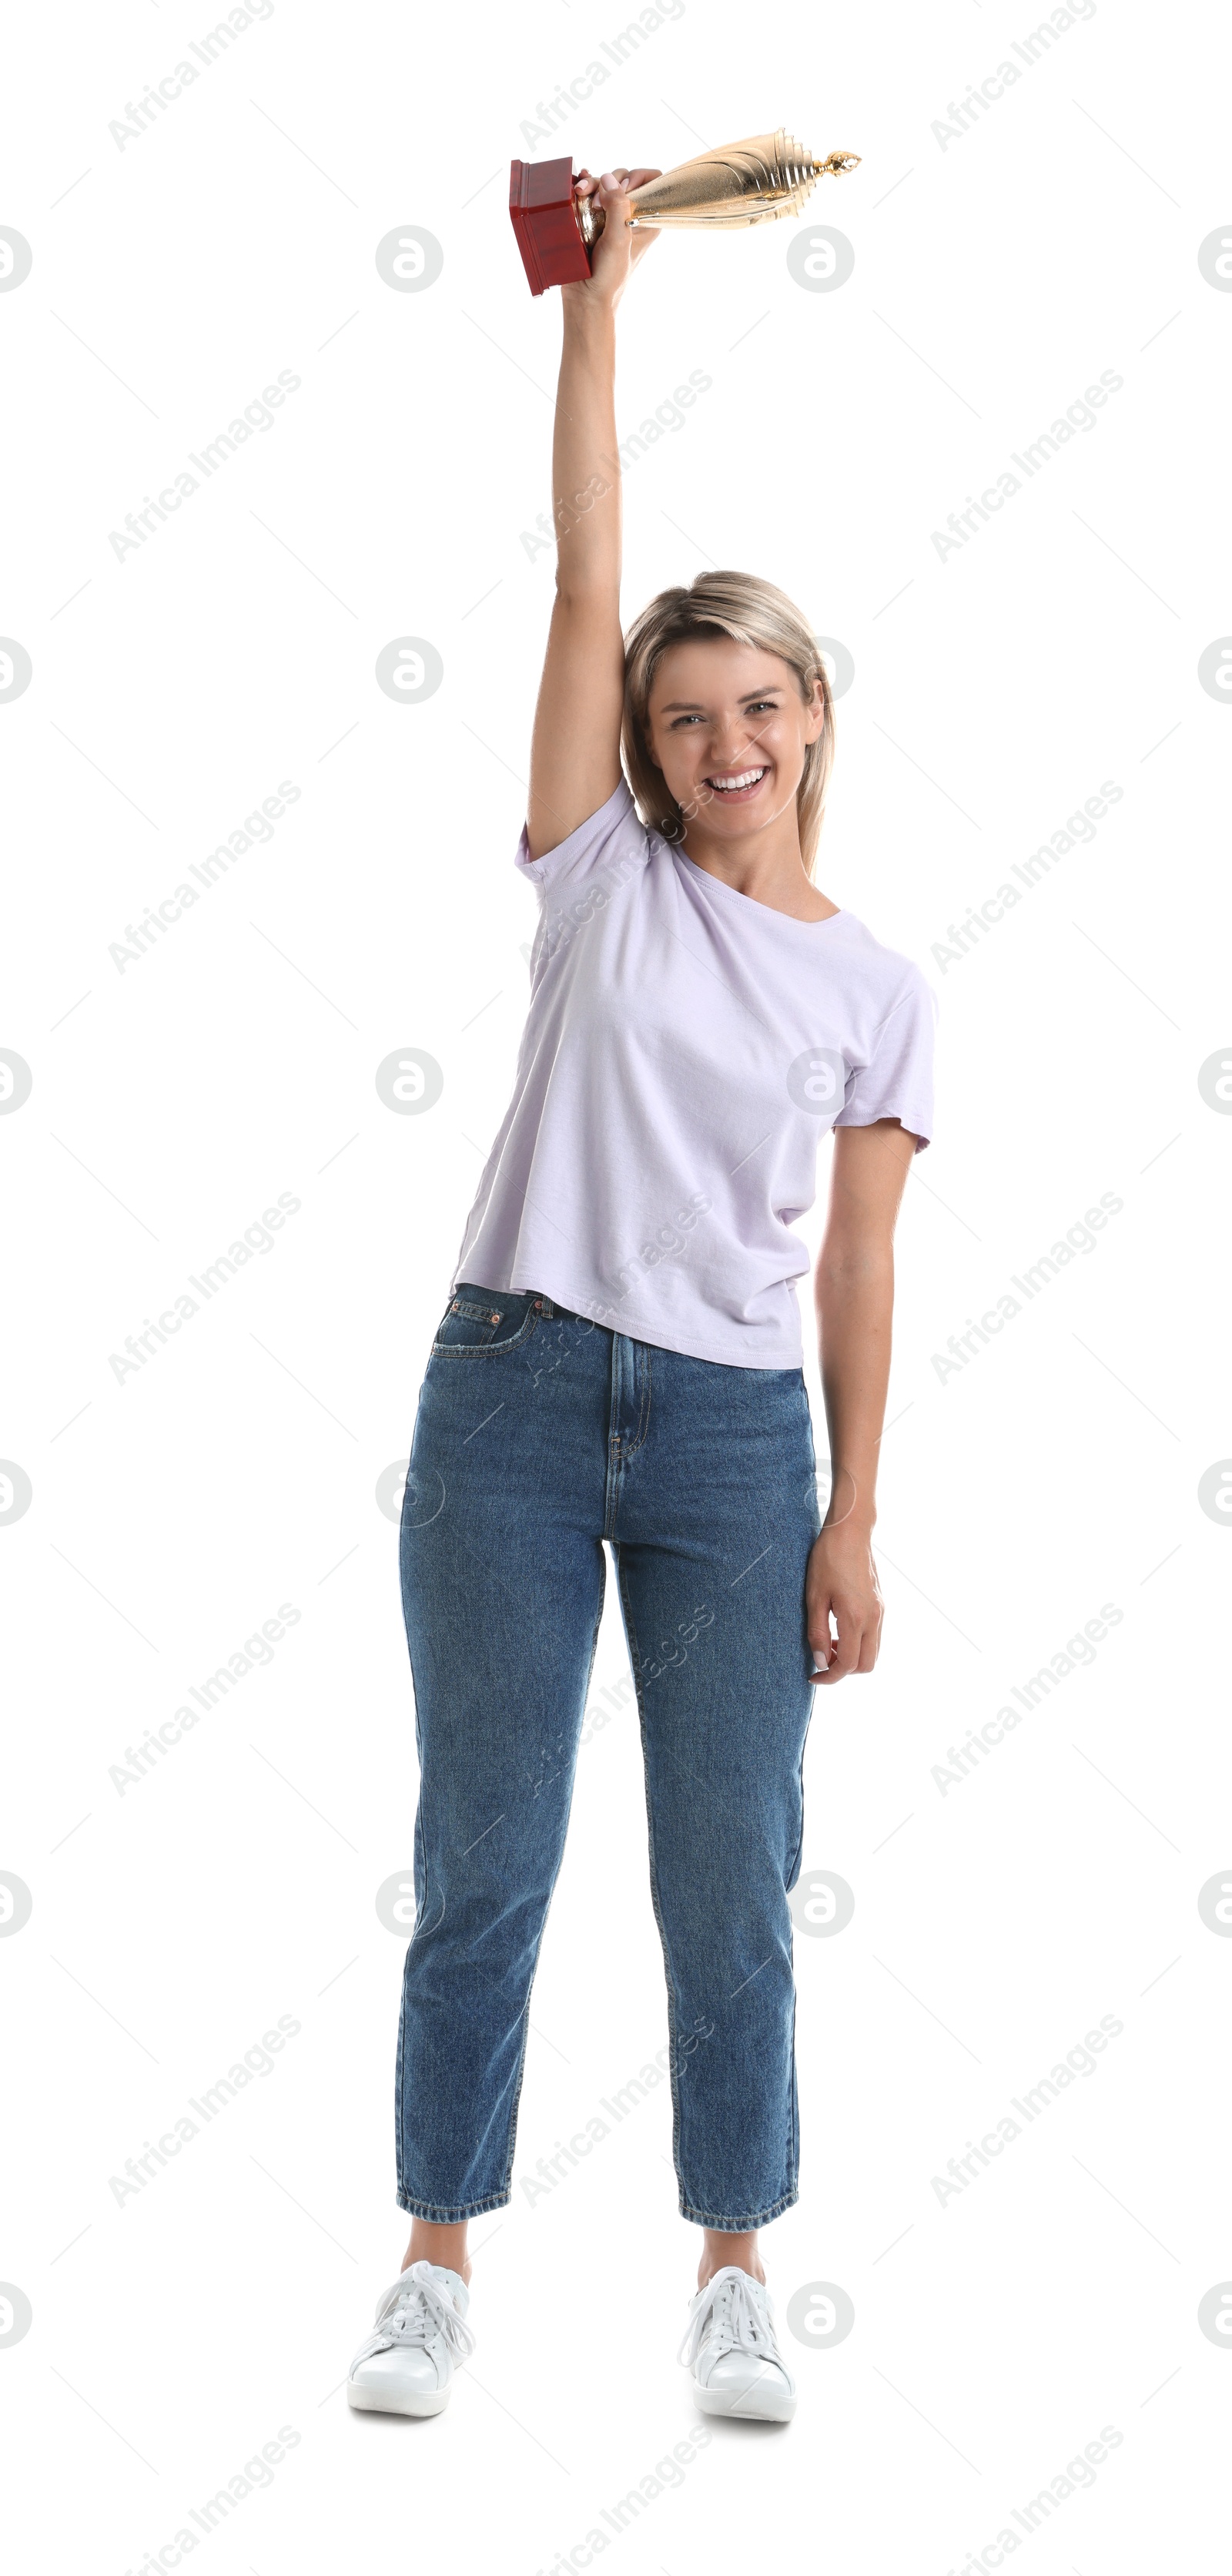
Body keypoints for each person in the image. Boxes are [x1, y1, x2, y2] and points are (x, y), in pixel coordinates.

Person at [346, 165, 936, 2427]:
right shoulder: (598, 877)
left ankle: (732, 2263)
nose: (720, 742)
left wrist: (852, 1513)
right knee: (484, 1852)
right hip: (509, 1395)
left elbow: (866, 1259)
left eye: (754, 702)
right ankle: (431, 2256)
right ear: (646, 737)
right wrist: (602, 300)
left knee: (733, 1882)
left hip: (728, 1435)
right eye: (683, 712)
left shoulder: (877, 985)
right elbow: (595, 563)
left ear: (808, 711)